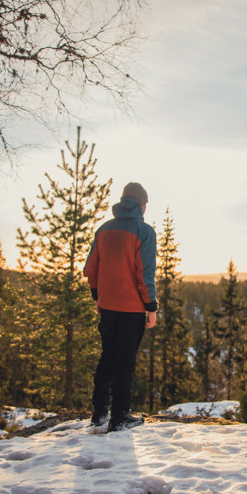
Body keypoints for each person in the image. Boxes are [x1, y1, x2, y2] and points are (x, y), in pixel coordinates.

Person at [83, 182, 157, 431]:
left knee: (107, 357)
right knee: (125, 361)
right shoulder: (144, 231)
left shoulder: (104, 229)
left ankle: (99, 413)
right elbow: (144, 274)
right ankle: (119, 417)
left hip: (108, 306)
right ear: (141, 205)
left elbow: (91, 269)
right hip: (132, 308)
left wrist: (98, 298)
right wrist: (152, 307)